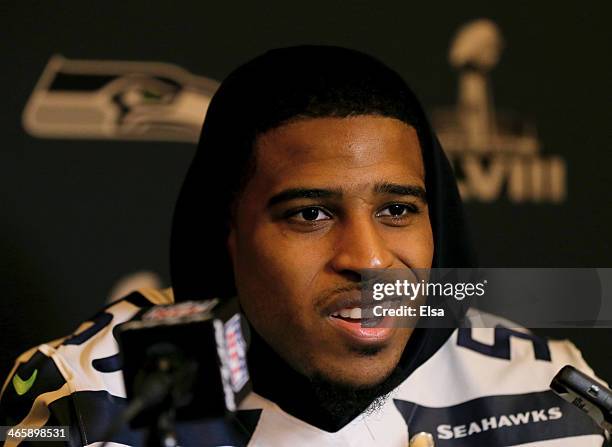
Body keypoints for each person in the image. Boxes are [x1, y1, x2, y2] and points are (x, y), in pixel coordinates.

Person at [0, 46, 605, 446]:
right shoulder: (86, 400)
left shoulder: (549, 387)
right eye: (310, 214)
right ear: (228, 234)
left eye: (397, 210)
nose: (367, 259)